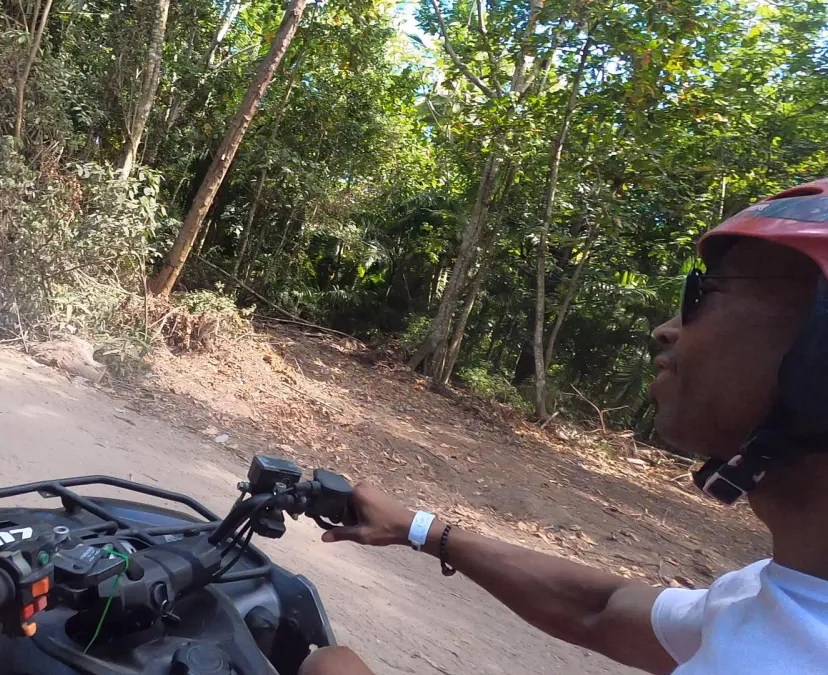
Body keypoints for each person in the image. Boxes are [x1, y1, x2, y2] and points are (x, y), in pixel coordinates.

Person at [305, 178, 828, 675]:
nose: (664, 330)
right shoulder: (775, 598)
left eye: (702, 293)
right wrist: (415, 528)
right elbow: (601, 609)